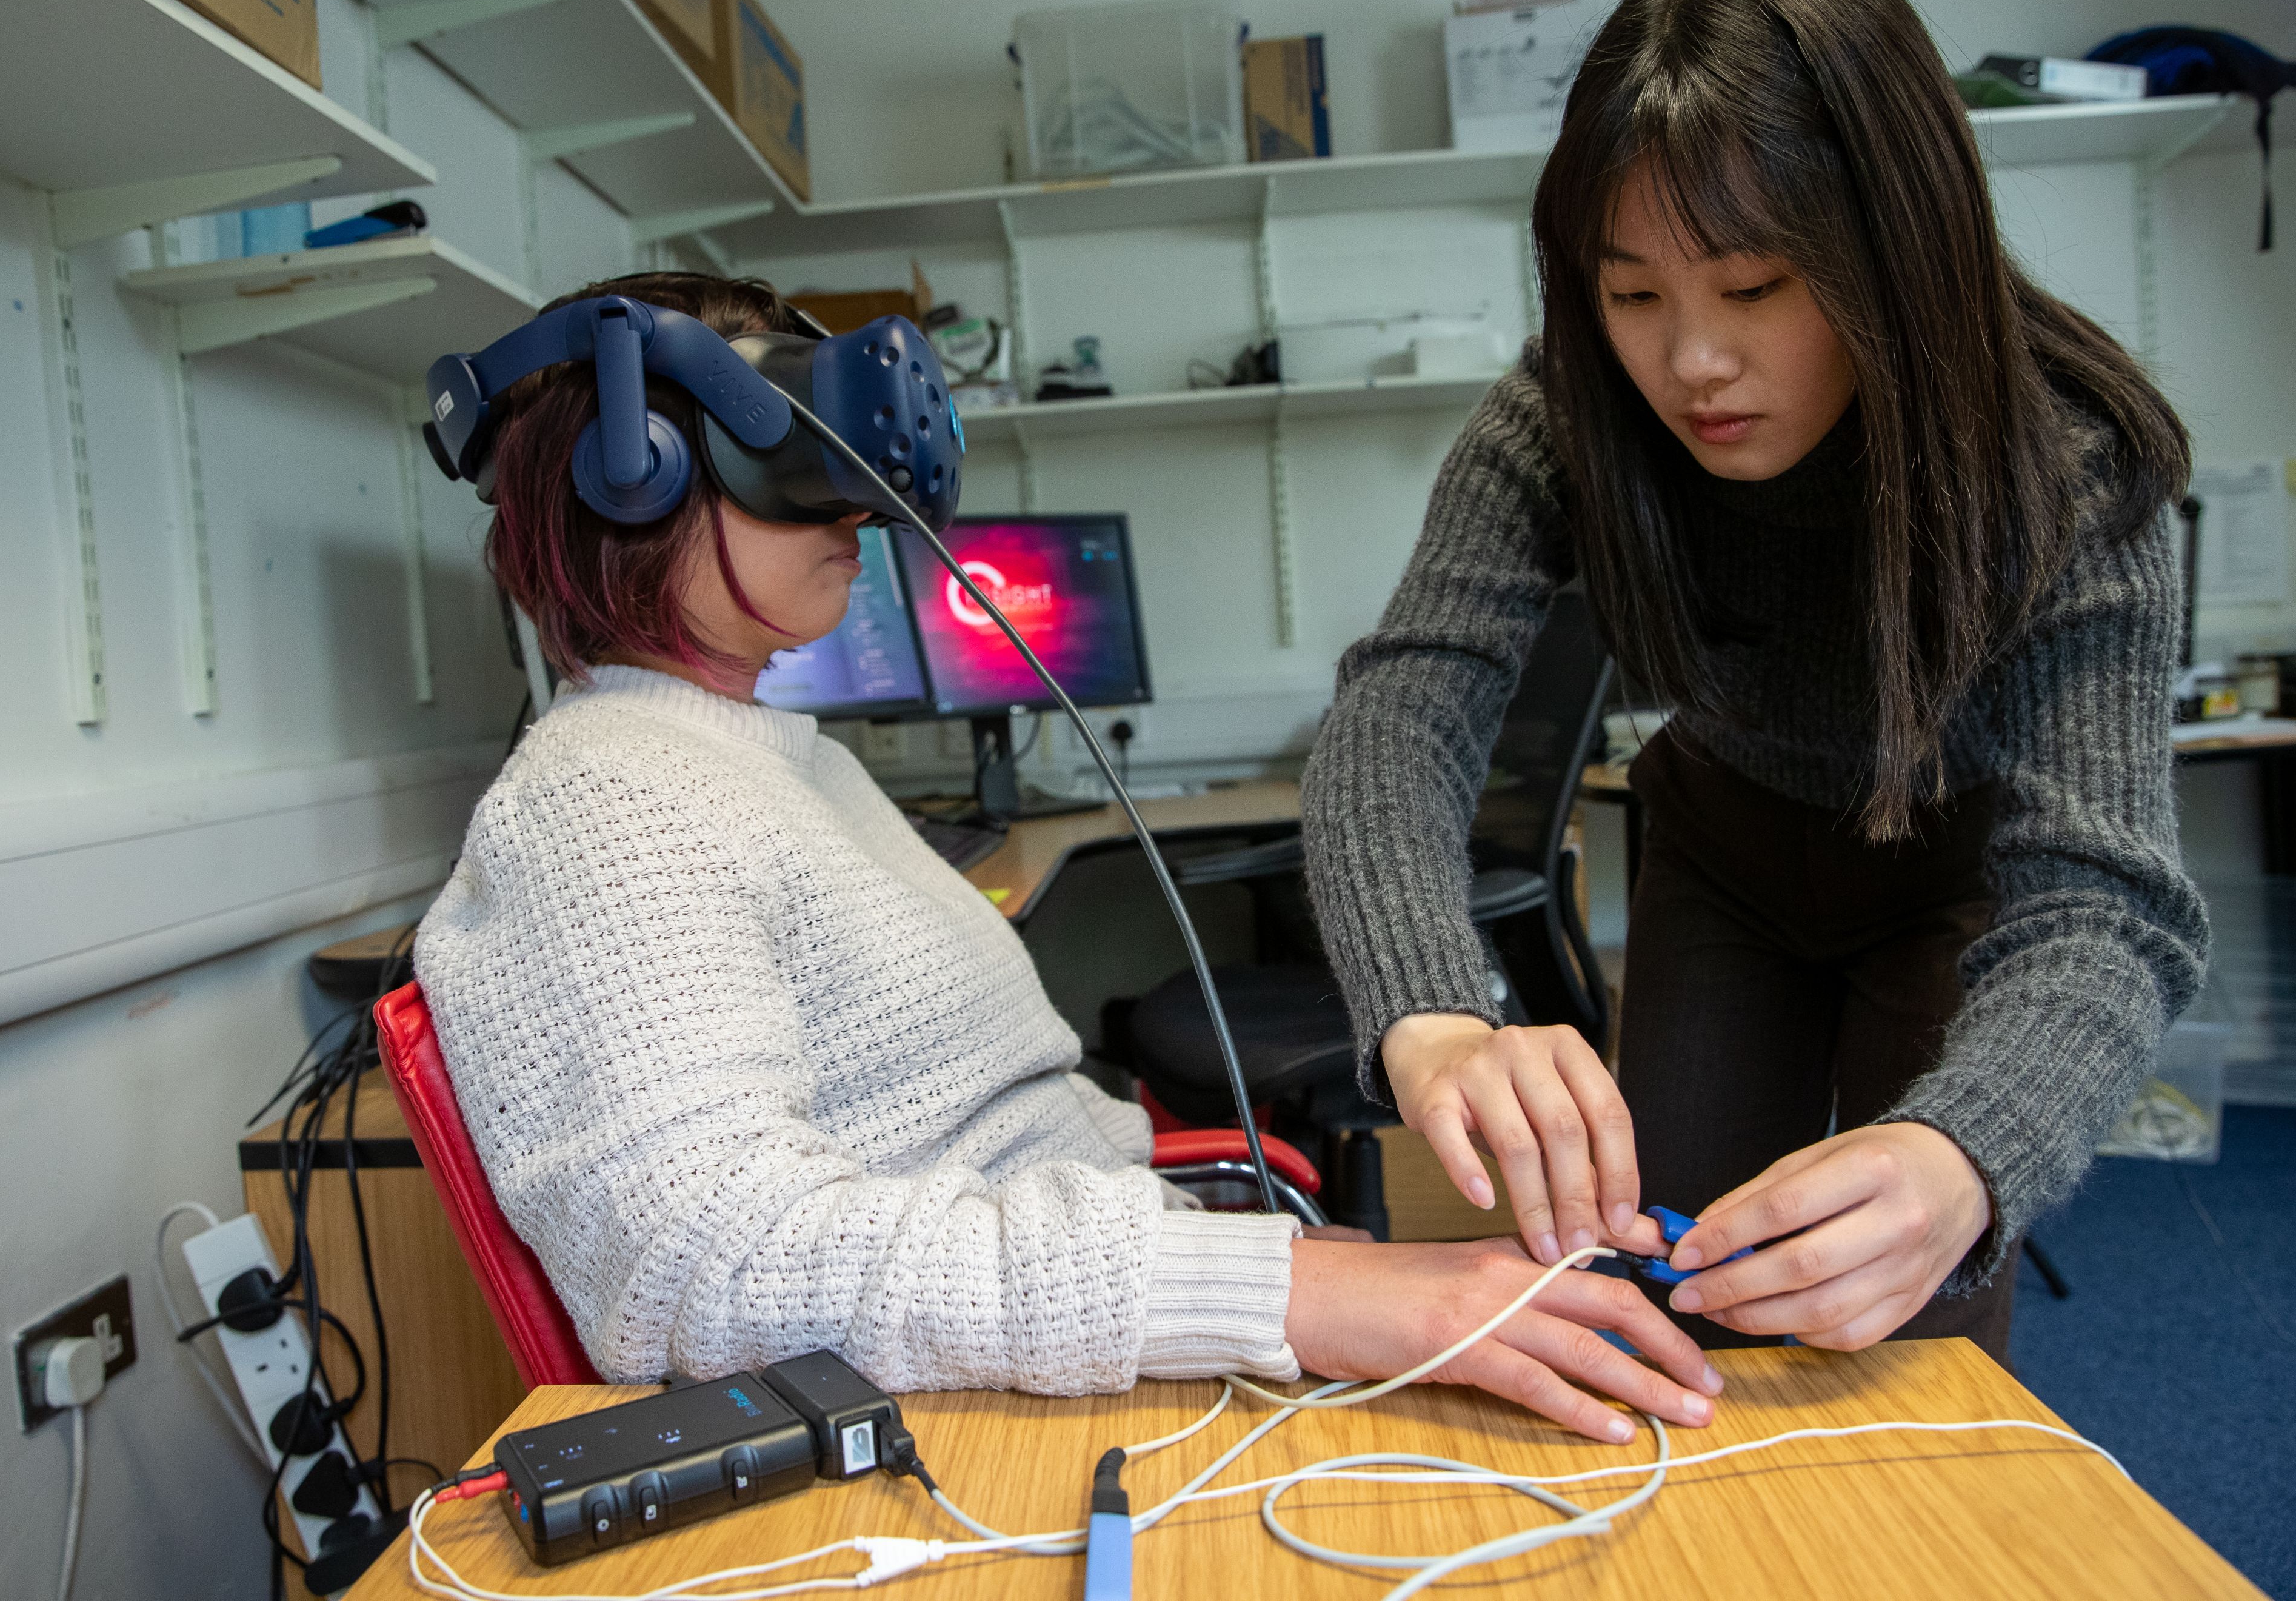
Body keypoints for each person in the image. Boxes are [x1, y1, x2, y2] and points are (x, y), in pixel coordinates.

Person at [416, 272, 1720, 1445]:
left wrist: (1282, 1275)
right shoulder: (604, 797)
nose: (849, 496)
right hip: (1045, 1401)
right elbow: (711, 1267)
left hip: (1125, 1303)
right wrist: (1297, 1289)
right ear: (631, 465)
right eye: (779, 439)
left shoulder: (758, 757)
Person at [1301, 0, 2208, 1366]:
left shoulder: (2073, 462)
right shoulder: (1564, 412)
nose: (1690, 365)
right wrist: (1429, 1011)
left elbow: (2105, 903)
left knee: (1904, 1313)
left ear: (1893, 249)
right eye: (1632, 295)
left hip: (1953, 880)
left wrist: (1964, 1156)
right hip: (1724, 850)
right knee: (1674, 1278)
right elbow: (1399, 709)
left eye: (1753, 284)